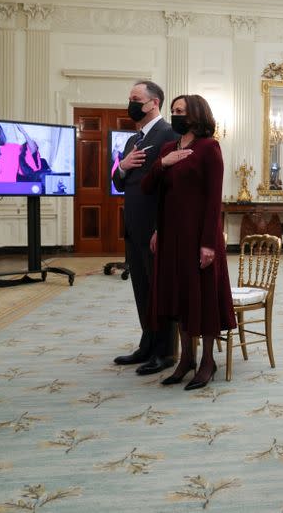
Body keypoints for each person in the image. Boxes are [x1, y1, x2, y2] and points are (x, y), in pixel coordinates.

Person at [141, 94, 235, 390]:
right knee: (180, 296)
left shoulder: (209, 148)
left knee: (203, 297)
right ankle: (186, 359)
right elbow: (149, 189)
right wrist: (163, 164)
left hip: (199, 237)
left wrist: (209, 243)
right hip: (170, 236)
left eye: (180, 111)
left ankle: (207, 360)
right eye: (173, 111)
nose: (176, 115)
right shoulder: (169, 148)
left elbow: (213, 199)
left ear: (195, 115)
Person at [112, 80, 178, 375]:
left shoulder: (170, 135)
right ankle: (147, 344)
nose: (131, 103)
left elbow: (174, 189)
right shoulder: (131, 141)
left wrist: (162, 228)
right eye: (129, 98)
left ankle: (166, 352)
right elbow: (117, 180)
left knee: (159, 291)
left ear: (154, 103)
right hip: (133, 228)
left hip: (155, 230)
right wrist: (123, 165)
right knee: (141, 290)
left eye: (136, 98)